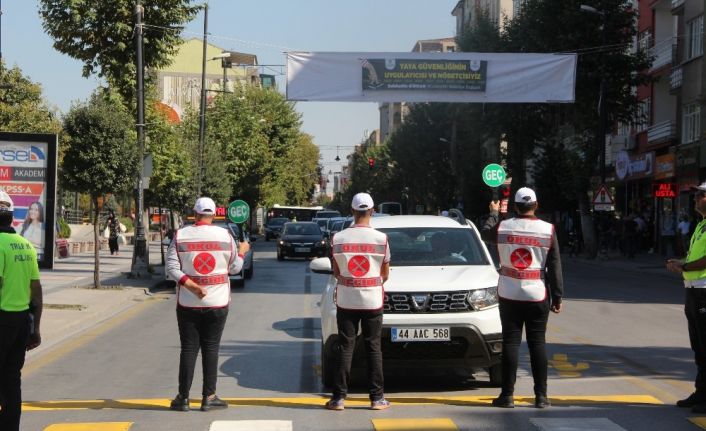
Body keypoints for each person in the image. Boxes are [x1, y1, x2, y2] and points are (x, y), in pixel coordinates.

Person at [481, 187, 563, 409]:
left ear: (515, 207)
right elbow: (554, 264)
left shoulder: (503, 226)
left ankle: (507, 396)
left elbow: (484, 232)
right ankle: (541, 396)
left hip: (509, 294)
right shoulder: (547, 230)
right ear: (536, 205)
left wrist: (494, 213)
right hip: (537, 294)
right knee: (537, 343)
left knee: (511, 343)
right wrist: (557, 296)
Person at [166, 196, 250, 412]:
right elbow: (234, 268)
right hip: (218, 301)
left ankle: (182, 398)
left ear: (194, 214)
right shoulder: (225, 236)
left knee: (188, 349)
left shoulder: (180, 235)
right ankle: (208, 397)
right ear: (214, 215)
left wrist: (191, 285)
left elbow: (172, 268)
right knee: (211, 348)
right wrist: (241, 251)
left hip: (187, 303)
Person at [325, 192, 391, 411]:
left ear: (352, 211)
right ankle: (377, 398)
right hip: (372, 301)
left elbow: (336, 271)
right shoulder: (381, 239)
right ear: (372, 211)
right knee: (373, 347)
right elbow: (385, 273)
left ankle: (338, 399)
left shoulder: (338, 238)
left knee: (346, 347)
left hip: (346, 300)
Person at [0, 190, 43, 431]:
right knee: (11, 382)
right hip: (20, 323)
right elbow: (36, 290)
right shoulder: (25, 245)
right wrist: (35, 328)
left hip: (2, 319)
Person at [667, 183, 706, 413]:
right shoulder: (701, 225)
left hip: (704, 290)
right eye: (696, 195)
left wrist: (685, 266)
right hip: (694, 290)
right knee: (698, 346)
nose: (695, 199)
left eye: (701, 195)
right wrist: (682, 263)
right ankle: (701, 391)